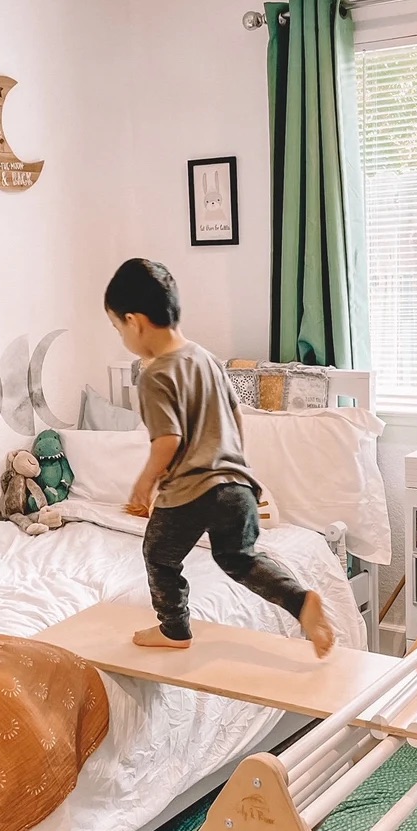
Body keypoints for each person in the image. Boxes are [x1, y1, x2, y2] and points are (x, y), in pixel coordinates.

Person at [103, 257, 335, 658]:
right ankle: (300, 601)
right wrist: (235, 466)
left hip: (193, 491)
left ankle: (174, 628)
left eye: (117, 328)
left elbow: (168, 440)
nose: (122, 337)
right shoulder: (205, 358)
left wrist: (145, 483)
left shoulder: (155, 374)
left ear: (134, 321)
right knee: (239, 558)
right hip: (238, 488)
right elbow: (237, 416)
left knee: (159, 555)